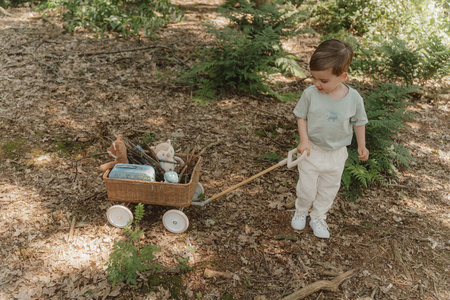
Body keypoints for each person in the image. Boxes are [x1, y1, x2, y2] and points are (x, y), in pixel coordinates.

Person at [291, 39, 369, 238]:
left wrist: (362, 145)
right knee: (307, 188)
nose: (317, 84)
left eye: (323, 81)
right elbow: (301, 116)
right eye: (314, 78)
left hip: (337, 154)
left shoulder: (354, 99)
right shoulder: (310, 94)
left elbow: (359, 121)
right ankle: (301, 210)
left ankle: (318, 216)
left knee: (328, 189)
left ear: (342, 76)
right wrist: (304, 140)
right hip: (312, 150)